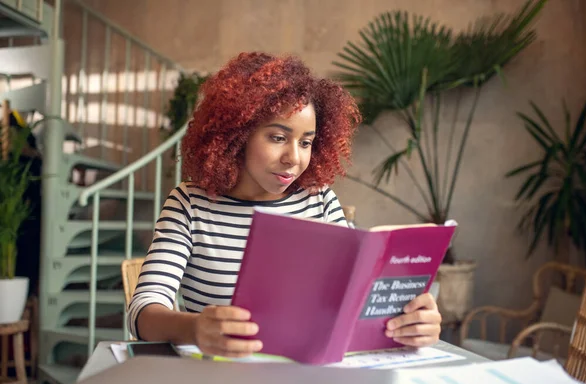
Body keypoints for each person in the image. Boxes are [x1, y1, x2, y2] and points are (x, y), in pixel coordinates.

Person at [127, 51, 442, 358]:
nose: (294, 158)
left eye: (306, 142)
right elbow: (143, 311)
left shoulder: (319, 202)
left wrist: (409, 321)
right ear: (236, 136)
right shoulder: (189, 205)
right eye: (278, 138)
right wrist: (195, 329)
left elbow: (353, 303)